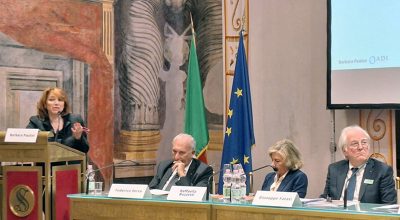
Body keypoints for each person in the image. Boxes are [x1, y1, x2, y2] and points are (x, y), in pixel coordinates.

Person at [320, 125, 396, 204]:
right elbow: (326, 198)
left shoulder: (382, 171)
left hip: (367, 215)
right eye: (355, 144)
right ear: (344, 150)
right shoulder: (334, 169)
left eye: (364, 142)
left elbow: (389, 206)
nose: (360, 147)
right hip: (338, 215)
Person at [26, 87, 89, 153]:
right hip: (46, 162)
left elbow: (85, 150)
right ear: (45, 104)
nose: (56, 103)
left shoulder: (75, 120)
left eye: (60, 100)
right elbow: (26, 142)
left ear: (64, 104)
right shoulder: (36, 121)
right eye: (51, 100)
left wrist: (78, 138)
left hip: (71, 162)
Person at [149, 133, 213, 190]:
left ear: (192, 153)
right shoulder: (164, 166)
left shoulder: (204, 171)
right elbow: (151, 190)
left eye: (182, 153)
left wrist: (182, 175)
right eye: (174, 151)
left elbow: (195, 197)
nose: (176, 157)